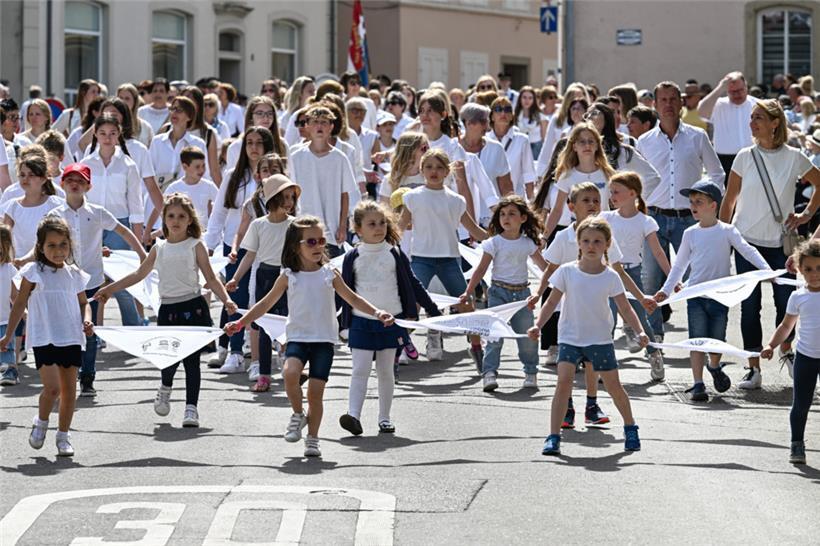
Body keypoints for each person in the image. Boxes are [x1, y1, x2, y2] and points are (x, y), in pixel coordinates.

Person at [225, 215, 394, 458]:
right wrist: (241, 323)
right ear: (296, 246)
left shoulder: (329, 273)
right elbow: (265, 303)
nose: (318, 246)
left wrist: (377, 312)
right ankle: (297, 413)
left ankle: (312, 439)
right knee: (290, 373)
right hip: (297, 338)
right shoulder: (288, 275)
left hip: (323, 341)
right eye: (310, 242)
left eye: (321, 241)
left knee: (316, 393)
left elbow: (353, 299)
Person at [95, 194, 237, 428]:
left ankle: (191, 409)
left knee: (192, 361)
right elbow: (138, 275)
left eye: (182, 216)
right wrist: (110, 288)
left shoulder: (196, 245)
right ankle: (166, 387)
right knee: (168, 359)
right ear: (164, 220)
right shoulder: (159, 248)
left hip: (193, 307)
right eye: (171, 216)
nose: (176, 221)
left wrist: (227, 300)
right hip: (168, 310)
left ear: (190, 220)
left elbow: (210, 278)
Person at [719, 99, 820, 389]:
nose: (752, 123)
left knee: (784, 304)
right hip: (747, 242)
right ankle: (753, 367)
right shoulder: (744, 156)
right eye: (751, 118)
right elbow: (730, 199)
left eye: (758, 118)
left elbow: (819, 183)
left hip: (781, 244)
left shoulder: (795, 156)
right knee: (749, 308)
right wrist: (724, 236)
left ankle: (786, 353)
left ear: (775, 123)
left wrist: (806, 215)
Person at [529, 216, 646, 456]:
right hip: (570, 338)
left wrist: (640, 331)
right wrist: (538, 325)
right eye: (586, 241)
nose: (591, 246)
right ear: (578, 244)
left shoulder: (611, 276)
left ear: (607, 245)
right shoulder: (566, 272)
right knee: (563, 384)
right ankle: (553, 436)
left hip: (600, 340)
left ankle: (630, 427)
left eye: (597, 241)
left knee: (614, 386)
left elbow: (626, 308)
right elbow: (551, 302)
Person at [655, 181, 770, 400]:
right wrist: (665, 290)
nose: (693, 206)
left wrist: (766, 270)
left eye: (699, 202)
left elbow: (747, 250)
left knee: (716, 340)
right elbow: (679, 266)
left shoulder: (727, 231)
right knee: (697, 341)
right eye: (691, 202)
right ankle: (698, 384)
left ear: (713, 205)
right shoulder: (690, 233)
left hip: (720, 298)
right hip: (696, 296)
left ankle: (715, 367)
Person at [339, 201, 440, 434]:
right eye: (371, 224)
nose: (378, 228)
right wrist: (339, 324)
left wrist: (431, 308)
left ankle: (384, 418)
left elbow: (413, 284)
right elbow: (343, 291)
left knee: (386, 371)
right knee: (359, 370)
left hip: (391, 322)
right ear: (358, 228)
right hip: (361, 322)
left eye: (382, 222)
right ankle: (353, 415)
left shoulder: (394, 253)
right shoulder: (352, 256)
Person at [47, 163, 146, 396]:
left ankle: (88, 376)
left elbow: (123, 230)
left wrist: (142, 253)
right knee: (65, 331)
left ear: (88, 186)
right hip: (62, 283)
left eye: (80, 181)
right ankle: (66, 374)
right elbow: (44, 244)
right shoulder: (54, 215)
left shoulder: (97, 212)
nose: (74, 184)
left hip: (90, 281)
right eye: (70, 180)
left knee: (89, 330)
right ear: (62, 184)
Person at [637, 81, 724, 342]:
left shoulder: (697, 137)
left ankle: (699, 339)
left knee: (694, 280)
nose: (668, 105)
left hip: (688, 219)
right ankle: (655, 340)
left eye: (673, 99)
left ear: (681, 102)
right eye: (662, 100)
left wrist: (707, 203)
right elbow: (634, 179)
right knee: (651, 281)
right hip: (653, 217)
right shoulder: (644, 141)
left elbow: (717, 173)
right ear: (654, 105)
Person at [0, 217, 94, 457]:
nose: (58, 250)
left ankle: (63, 435)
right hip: (44, 336)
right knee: (52, 389)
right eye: (51, 245)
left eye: (63, 244)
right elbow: (19, 303)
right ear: (40, 247)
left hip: (71, 336)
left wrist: (87, 319)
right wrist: (8, 336)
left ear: (69, 246)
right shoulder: (33, 272)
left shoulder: (74, 274)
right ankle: (41, 423)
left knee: (69, 392)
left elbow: (84, 303)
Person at [398, 149, 488, 362]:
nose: (434, 172)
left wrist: (499, 239)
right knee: (413, 305)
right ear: (421, 170)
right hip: (421, 259)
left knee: (466, 303)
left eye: (439, 167)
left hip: (449, 260)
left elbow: (474, 230)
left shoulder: (456, 200)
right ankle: (399, 346)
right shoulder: (412, 197)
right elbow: (400, 226)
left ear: (447, 171)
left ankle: (476, 346)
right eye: (429, 167)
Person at [206, 127, 277, 372]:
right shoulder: (232, 175)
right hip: (236, 246)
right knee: (235, 299)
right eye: (249, 143)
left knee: (261, 300)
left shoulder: (276, 176)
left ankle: (262, 357)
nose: (254, 147)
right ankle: (234, 353)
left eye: (259, 142)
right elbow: (219, 213)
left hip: (268, 248)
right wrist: (210, 246)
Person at [460, 195, 547, 391]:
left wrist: (559, 282)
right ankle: (489, 373)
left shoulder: (527, 244)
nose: (506, 218)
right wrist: (468, 291)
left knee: (526, 337)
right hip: (499, 293)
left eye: (512, 214)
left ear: (523, 218)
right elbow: (481, 269)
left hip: (522, 296)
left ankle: (531, 372)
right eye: (502, 214)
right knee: (494, 336)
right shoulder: (494, 242)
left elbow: (544, 268)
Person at [225, 174, 299, 392]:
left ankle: (291, 368)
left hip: (288, 277)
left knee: (290, 325)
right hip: (265, 278)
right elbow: (249, 255)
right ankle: (264, 375)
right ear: (272, 198)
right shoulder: (258, 225)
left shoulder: (295, 225)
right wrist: (235, 278)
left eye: (292, 197)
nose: (289, 202)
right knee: (265, 327)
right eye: (285, 196)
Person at [601, 171, 669, 380]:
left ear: (632, 193)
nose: (612, 196)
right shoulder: (606, 218)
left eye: (617, 192)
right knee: (607, 319)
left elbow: (658, 252)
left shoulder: (645, 221)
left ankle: (654, 354)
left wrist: (673, 279)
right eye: (611, 192)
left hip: (632, 273)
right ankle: (604, 364)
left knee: (641, 318)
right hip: (608, 273)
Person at [760, 239, 820, 464]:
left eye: (819, 268)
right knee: (801, 404)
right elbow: (786, 326)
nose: (814, 274)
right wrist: (771, 345)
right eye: (808, 269)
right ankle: (797, 443)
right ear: (799, 270)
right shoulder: (798, 296)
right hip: (805, 357)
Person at [288, 105, 356, 258]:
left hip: (331, 230)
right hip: (302, 226)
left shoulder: (340, 158)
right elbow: (290, 192)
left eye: (324, 122)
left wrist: (343, 226)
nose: (319, 126)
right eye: (315, 121)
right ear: (307, 126)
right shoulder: (296, 156)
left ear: (331, 127)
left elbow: (345, 194)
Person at [147, 96, 207, 239]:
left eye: (179, 110)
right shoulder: (157, 141)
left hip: (184, 212)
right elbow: (149, 175)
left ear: (189, 116)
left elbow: (205, 176)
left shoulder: (198, 143)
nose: (174, 113)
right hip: (157, 207)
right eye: (172, 109)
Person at [3, 151, 64, 262]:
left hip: (48, 263)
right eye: (22, 175)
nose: (25, 179)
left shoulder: (55, 205)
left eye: (31, 175)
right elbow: (5, 238)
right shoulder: (12, 207)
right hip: (19, 265)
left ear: (44, 178)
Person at [697, 71, 756, 176]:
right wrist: (720, 88)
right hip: (725, 160)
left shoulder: (757, 105)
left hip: (753, 158)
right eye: (732, 92)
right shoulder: (718, 104)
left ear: (746, 87)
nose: (737, 94)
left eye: (740, 90)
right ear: (727, 91)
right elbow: (701, 112)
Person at [458, 103, 513, 197]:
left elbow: (506, 187)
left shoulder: (496, 148)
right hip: (458, 210)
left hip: (490, 210)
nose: (487, 126)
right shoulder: (453, 147)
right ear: (469, 123)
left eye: (487, 121)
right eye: (483, 122)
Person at [487, 96, 536, 200]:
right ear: (492, 116)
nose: (503, 113)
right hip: (489, 202)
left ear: (512, 116)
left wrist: (532, 204)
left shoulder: (522, 140)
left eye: (507, 109)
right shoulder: (484, 140)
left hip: (515, 200)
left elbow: (528, 175)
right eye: (498, 109)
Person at [161, 146, 218, 225]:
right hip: (181, 234)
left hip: (202, 234)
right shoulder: (174, 188)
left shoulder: (209, 186)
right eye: (197, 167)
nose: (201, 170)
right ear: (185, 167)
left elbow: (221, 206)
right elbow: (162, 209)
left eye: (203, 166)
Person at [0, 225, 18, 386]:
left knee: (7, 347)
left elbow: (14, 295)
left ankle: (11, 370)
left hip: (5, 318)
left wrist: (24, 312)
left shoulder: (9, 269)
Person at [116, 83, 154, 148]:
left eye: (127, 98)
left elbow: (152, 152)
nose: (123, 102)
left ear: (135, 101)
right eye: (120, 98)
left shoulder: (145, 127)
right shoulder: (107, 125)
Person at [515, 85, 548, 159]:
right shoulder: (515, 115)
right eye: (524, 97)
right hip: (520, 147)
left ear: (534, 100)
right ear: (520, 98)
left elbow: (544, 138)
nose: (527, 101)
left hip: (536, 147)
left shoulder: (540, 116)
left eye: (530, 98)